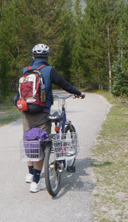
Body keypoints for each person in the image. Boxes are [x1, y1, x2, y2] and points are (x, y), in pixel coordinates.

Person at [21, 43, 85, 193]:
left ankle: (30, 174)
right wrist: (78, 93)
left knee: (30, 142)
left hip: (26, 112)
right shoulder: (49, 70)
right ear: (47, 57)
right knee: (41, 145)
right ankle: (36, 183)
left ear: (33, 57)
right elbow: (65, 85)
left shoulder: (26, 70)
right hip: (42, 112)